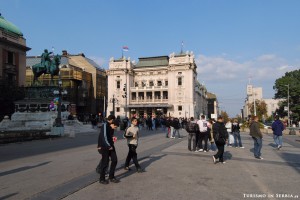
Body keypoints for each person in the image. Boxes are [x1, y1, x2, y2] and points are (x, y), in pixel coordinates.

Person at [97, 116, 119, 184]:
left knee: (114, 160)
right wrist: (106, 145)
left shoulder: (111, 128)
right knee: (105, 162)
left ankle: (111, 176)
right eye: (115, 127)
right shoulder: (105, 126)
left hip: (110, 146)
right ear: (112, 123)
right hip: (105, 146)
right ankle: (102, 179)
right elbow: (103, 137)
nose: (115, 128)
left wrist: (113, 138)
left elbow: (109, 136)